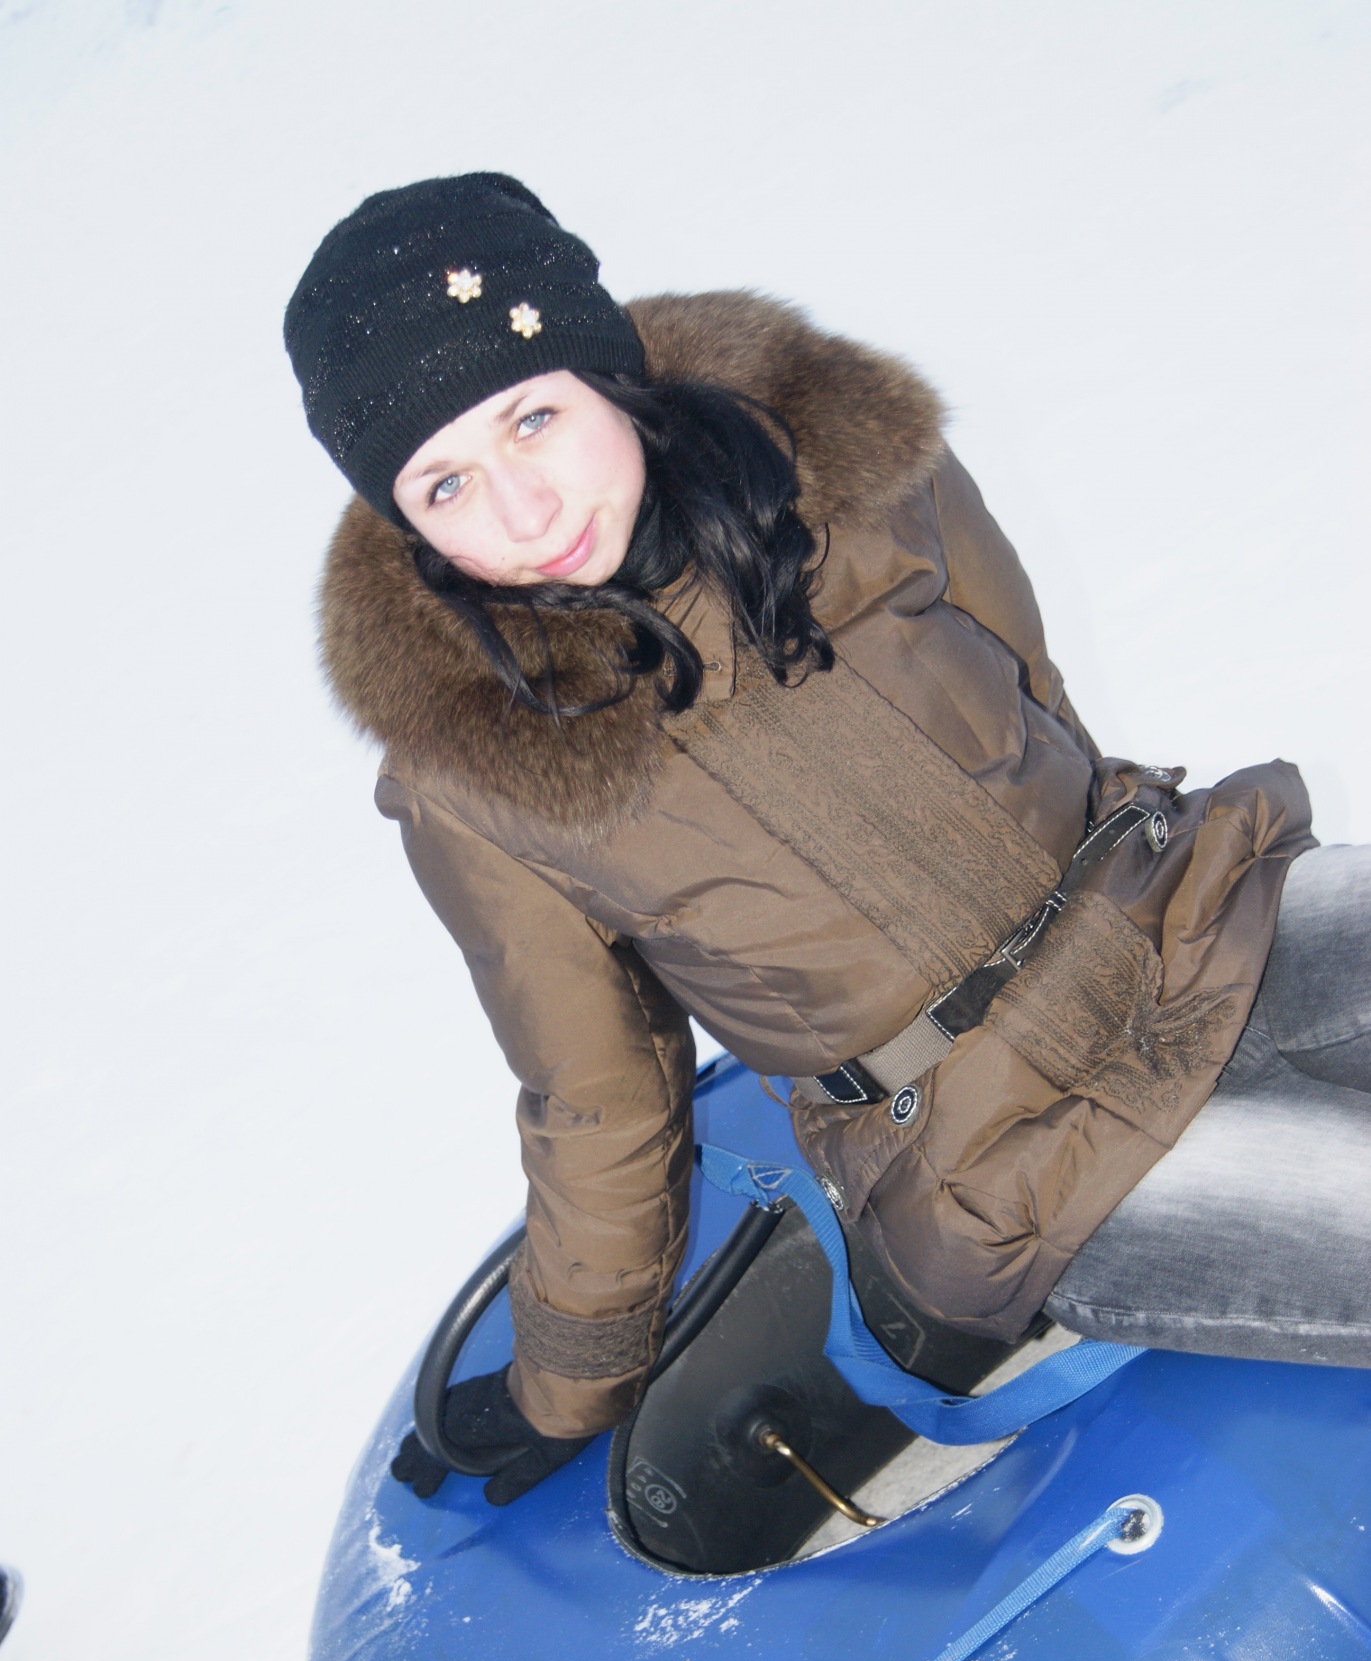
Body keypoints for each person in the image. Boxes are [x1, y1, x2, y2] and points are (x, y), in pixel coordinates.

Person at [284, 174, 1369, 1504]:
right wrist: (565, 1381)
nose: (523, 514)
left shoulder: (847, 465)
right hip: (996, 1155)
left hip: (1184, 919)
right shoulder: (477, 773)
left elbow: (1032, 694)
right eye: (447, 484)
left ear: (607, 372)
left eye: (535, 420)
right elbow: (600, 1095)